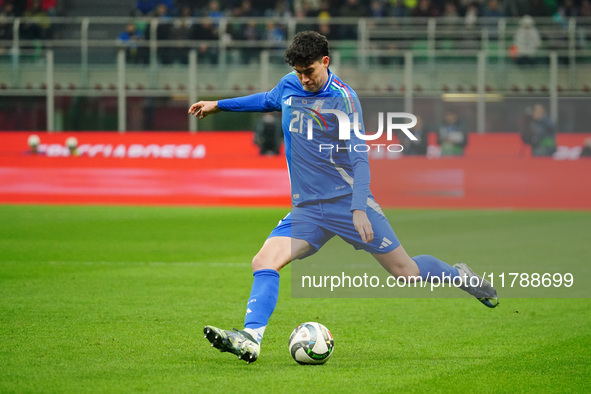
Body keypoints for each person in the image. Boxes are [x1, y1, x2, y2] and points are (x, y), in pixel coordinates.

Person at [188, 31, 498, 364]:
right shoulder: (289, 85)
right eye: (299, 73)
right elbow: (266, 99)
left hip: (348, 202)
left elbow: (360, 159)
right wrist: (218, 105)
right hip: (308, 209)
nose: (304, 79)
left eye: (310, 71)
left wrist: (358, 208)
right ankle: (250, 338)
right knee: (264, 261)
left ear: (325, 61)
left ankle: (459, 274)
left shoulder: (343, 100)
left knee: (405, 272)